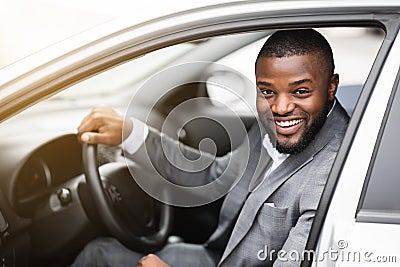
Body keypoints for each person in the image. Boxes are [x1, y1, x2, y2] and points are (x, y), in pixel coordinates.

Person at [72, 29, 349, 266]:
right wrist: (130, 134)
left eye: (300, 91)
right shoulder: (273, 125)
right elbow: (213, 173)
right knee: (98, 254)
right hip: (218, 257)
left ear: (331, 87)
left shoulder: (335, 173)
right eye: (267, 91)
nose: (280, 108)